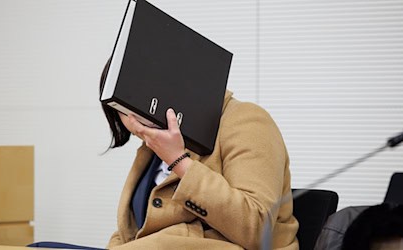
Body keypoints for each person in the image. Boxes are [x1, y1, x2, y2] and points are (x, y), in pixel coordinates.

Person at [100, 60, 299, 250]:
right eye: (122, 107)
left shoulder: (246, 119)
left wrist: (178, 161)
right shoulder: (151, 147)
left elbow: (257, 227)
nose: (136, 114)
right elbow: (131, 231)